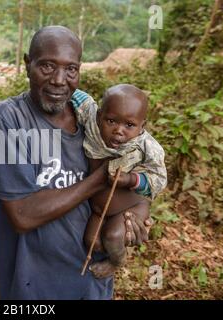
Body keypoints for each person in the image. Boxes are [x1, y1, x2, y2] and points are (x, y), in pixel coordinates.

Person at [0, 26, 152, 300]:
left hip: (93, 283)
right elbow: (22, 215)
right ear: (27, 63)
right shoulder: (7, 119)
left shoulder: (95, 122)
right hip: (35, 288)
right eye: (46, 66)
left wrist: (132, 220)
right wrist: (99, 179)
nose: (59, 80)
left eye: (71, 69)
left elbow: (127, 186)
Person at [70, 85, 167, 279]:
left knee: (113, 237)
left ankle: (117, 261)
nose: (118, 131)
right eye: (111, 121)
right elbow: (77, 96)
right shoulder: (92, 121)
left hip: (130, 207)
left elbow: (159, 178)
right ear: (99, 116)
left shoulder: (146, 146)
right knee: (92, 242)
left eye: (129, 125)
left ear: (142, 126)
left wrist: (131, 179)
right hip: (99, 209)